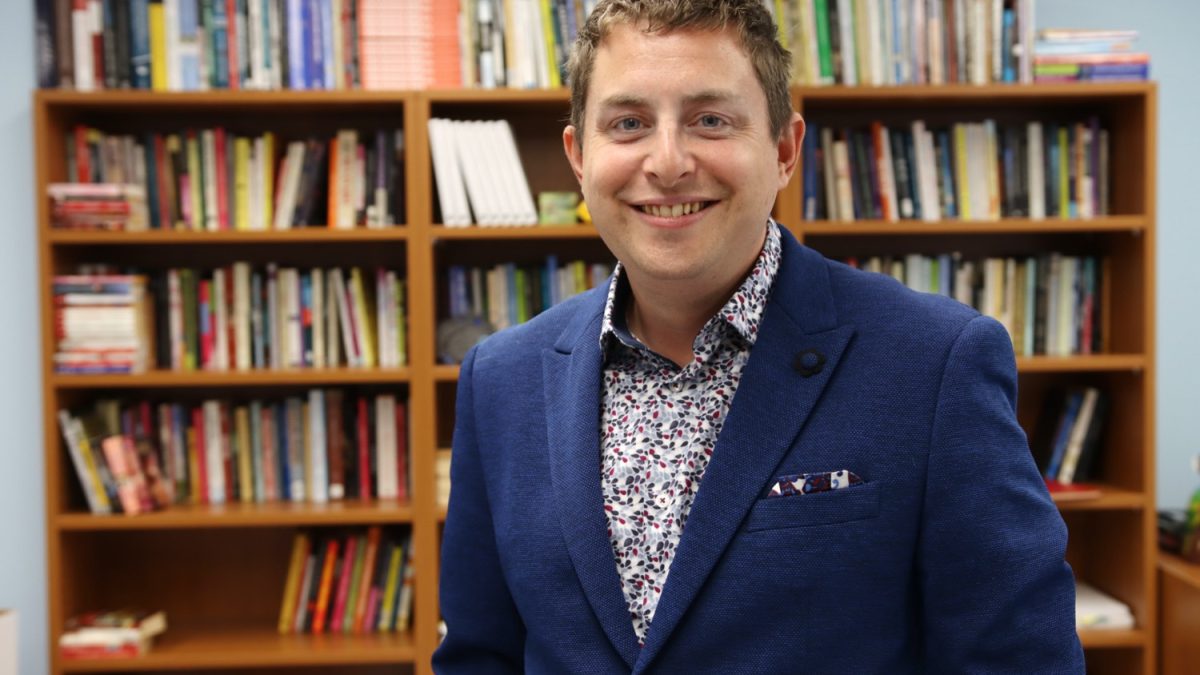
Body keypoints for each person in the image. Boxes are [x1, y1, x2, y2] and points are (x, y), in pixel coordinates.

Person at [434, 1, 1084, 672]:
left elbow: (1020, 660)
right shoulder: (499, 379)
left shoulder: (936, 363)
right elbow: (480, 656)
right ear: (579, 156)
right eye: (628, 123)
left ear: (784, 150)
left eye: (710, 120)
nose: (667, 162)